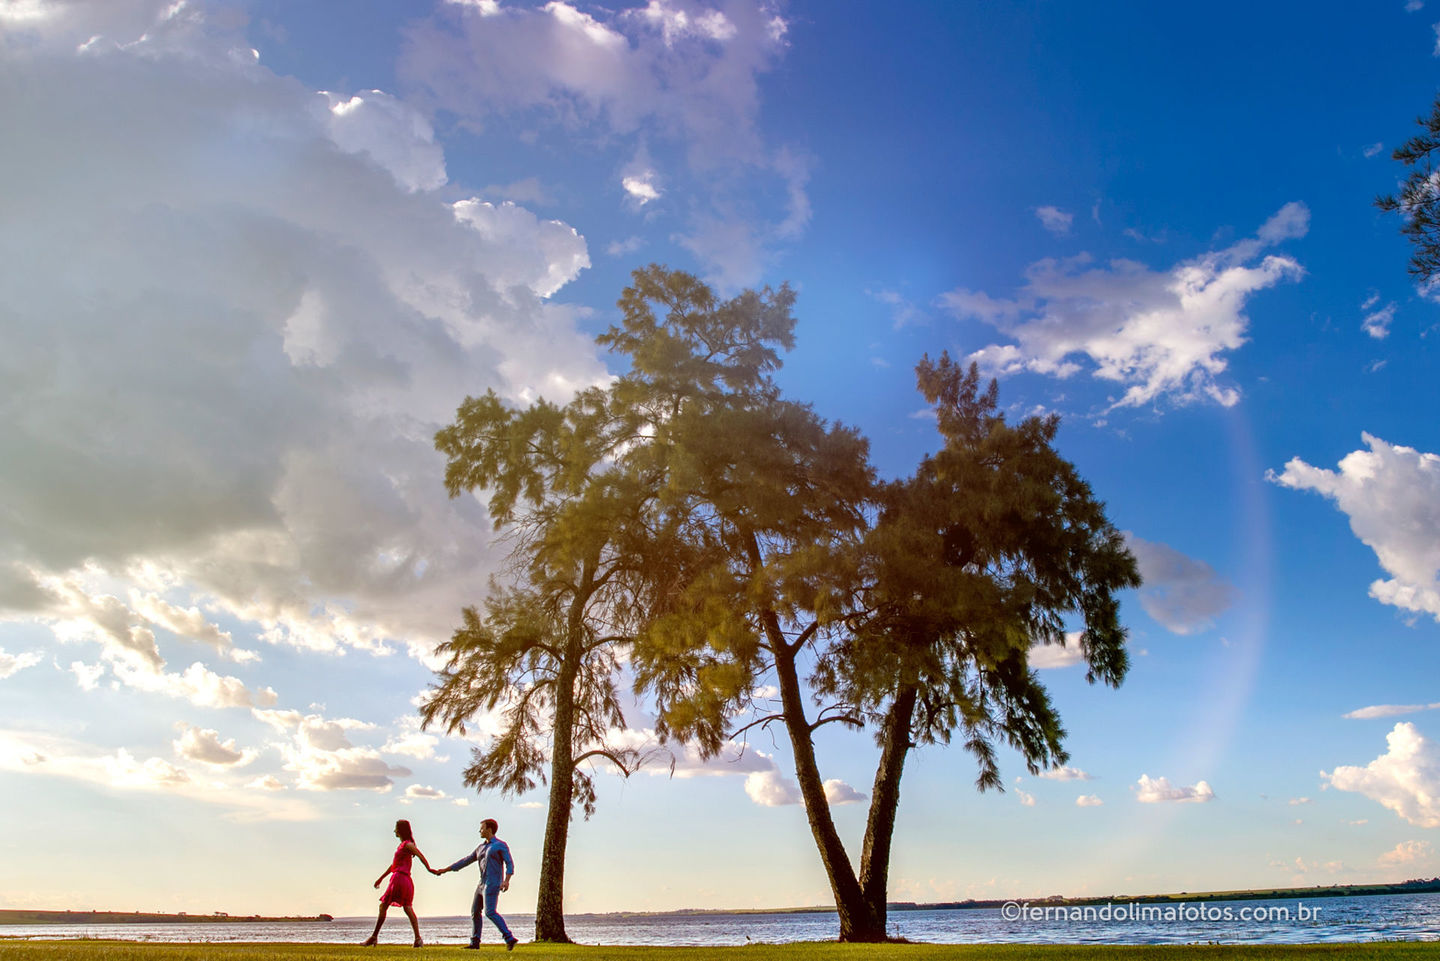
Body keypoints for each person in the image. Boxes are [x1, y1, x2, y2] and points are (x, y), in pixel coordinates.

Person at [432, 817, 517, 950]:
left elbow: (509, 863)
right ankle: (475, 942)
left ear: (489, 829)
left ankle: (509, 938)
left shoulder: (500, 845)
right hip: (481, 884)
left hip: (493, 883)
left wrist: (506, 881)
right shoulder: (480, 847)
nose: (480, 831)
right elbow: (465, 860)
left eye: (482, 828)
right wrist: (445, 870)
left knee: (490, 912)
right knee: (475, 911)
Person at [363, 818, 435, 947]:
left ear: (400, 830)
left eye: (396, 828)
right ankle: (418, 939)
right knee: (407, 908)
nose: (394, 831)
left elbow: (419, 855)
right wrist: (381, 877)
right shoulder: (403, 846)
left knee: (384, 906)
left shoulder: (407, 844)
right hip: (404, 879)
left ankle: (374, 937)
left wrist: (429, 868)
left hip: (399, 879)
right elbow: (394, 865)